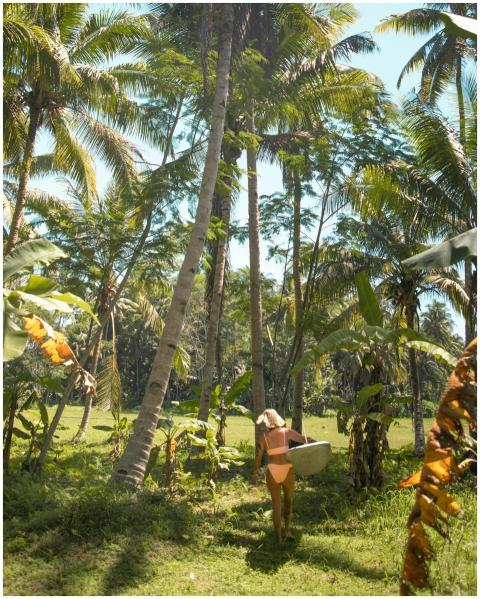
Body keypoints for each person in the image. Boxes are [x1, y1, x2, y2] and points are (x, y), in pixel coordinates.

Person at [253, 408, 315, 544]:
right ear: (277, 419)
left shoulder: (264, 438)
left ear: (267, 422)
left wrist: (255, 471)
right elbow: (305, 439)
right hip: (287, 470)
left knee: (276, 506)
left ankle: (278, 539)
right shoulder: (287, 432)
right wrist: (317, 444)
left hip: (273, 471)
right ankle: (287, 531)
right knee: (288, 501)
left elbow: (258, 457)